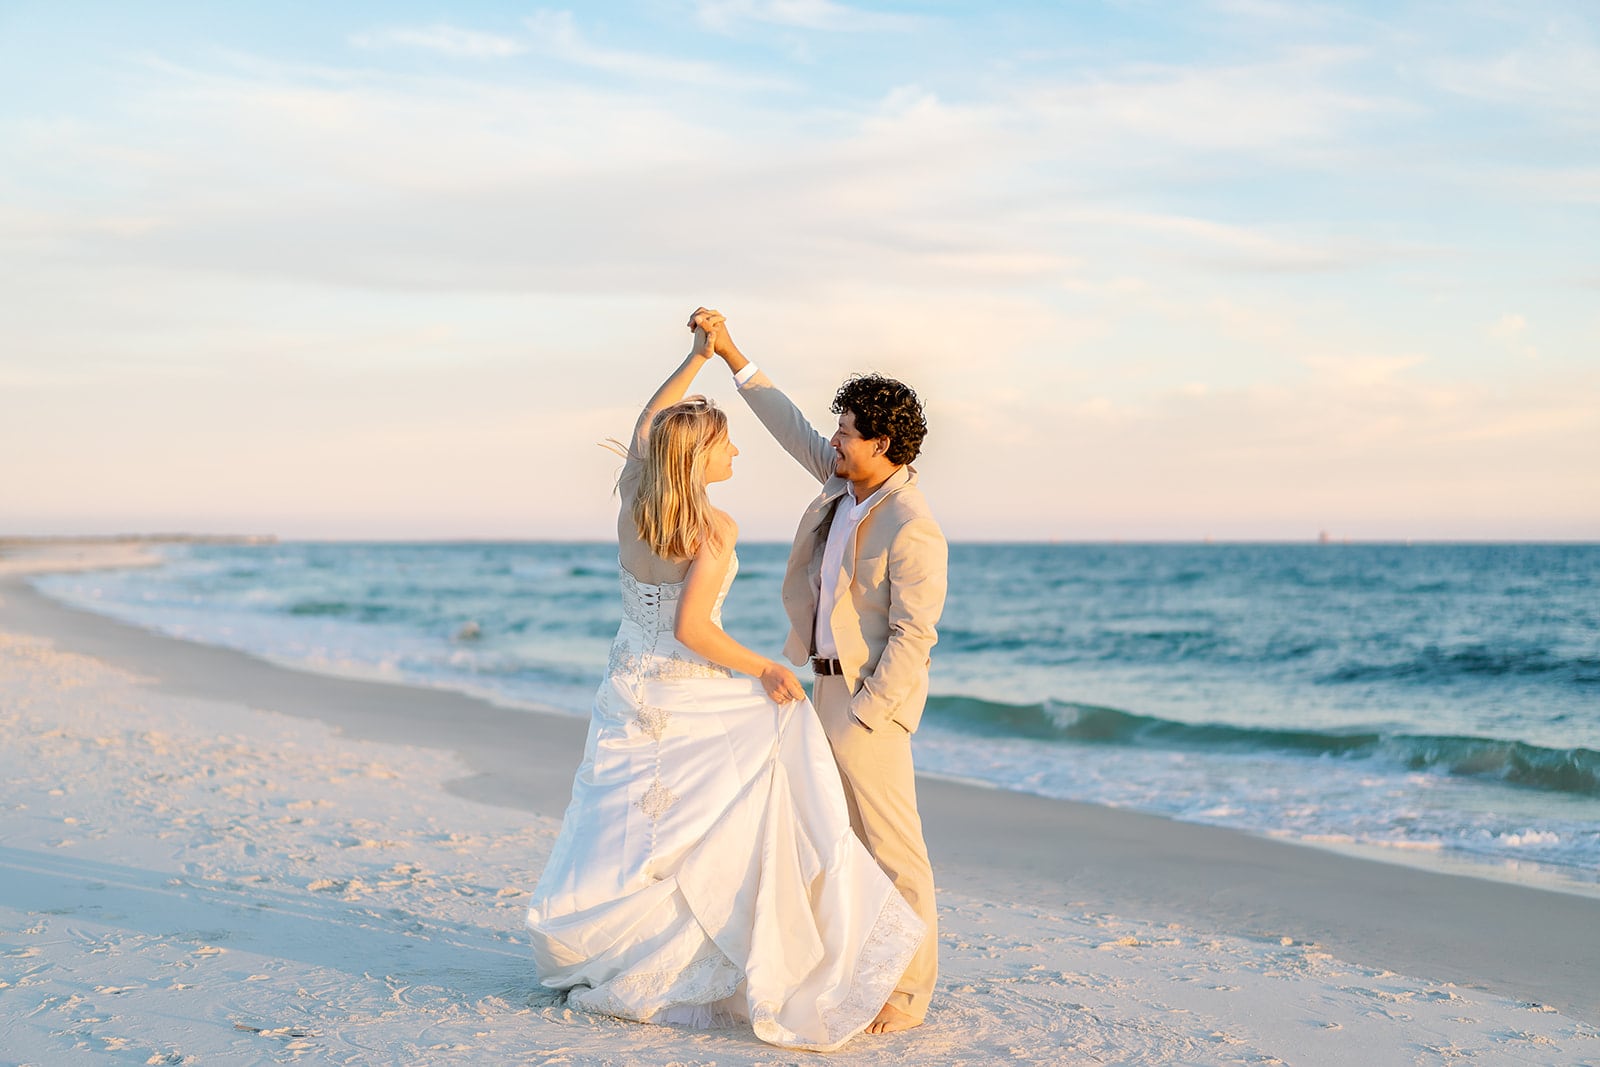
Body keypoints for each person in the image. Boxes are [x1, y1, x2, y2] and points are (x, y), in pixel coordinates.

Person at [525, 311, 925, 1052]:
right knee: (721, 809)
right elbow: (694, 630)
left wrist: (701, 356)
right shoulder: (712, 527)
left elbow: (649, 419)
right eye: (725, 441)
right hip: (681, 681)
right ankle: (728, 948)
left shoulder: (637, 495)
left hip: (627, 684)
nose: (736, 446)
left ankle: (618, 943)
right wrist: (771, 667)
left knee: (634, 823)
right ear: (701, 453)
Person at [700, 310, 948, 1034]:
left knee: (893, 849)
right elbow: (788, 426)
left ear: (884, 444)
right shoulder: (843, 484)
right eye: (837, 429)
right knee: (831, 841)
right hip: (821, 686)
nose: (833, 439)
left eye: (846, 432)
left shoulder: (912, 523)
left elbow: (915, 632)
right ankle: (851, 971)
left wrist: (870, 710)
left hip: (866, 705)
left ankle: (907, 996)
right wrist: (732, 355)